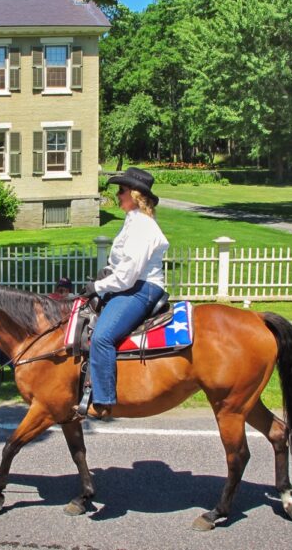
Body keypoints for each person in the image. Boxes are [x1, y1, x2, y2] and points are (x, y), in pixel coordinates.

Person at [81, 167, 169, 419]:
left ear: (135, 194)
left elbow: (129, 275)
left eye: (121, 190)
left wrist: (98, 286)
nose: (117, 195)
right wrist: (105, 274)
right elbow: (121, 265)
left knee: (102, 337)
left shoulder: (143, 226)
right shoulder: (132, 220)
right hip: (129, 285)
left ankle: (104, 400)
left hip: (142, 289)